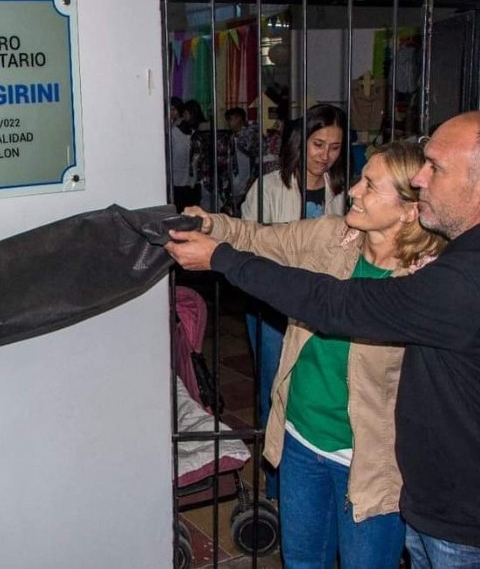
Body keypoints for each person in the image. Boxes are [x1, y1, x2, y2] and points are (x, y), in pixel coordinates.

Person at [164, 111, 480, 568]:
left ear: (411, 210)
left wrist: (218, 259)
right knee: (303, 561)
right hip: (302, 442)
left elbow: (334, 304)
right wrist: (212, 227)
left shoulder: (429, 281)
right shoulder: (335, 238)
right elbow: (262, 237)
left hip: (370, 463)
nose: (352, 189)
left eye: (370, 186)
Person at [242, 103, 348, 502]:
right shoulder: (268, 187)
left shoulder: (344, 191)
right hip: (273, 307)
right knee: (275, 389)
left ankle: (310, 482)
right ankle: (277, 488)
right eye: (318, 143)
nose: (325, 155)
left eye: (335, 147)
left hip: (324, 307)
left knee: (315, 390)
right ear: (299, 141)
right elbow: (248, 246)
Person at [223, 107, 259, 215]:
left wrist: (252, 179)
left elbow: (256, 158)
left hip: (246, 182)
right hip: (234, 184)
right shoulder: (231, 138)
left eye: (231, 119)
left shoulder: (249, 136)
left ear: (239, 119)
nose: (229, 122)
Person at [169, 96, 197, 212]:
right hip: (188, 179)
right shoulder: (188, 130)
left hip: (178, 178)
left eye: (172, 109)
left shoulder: (174, 131)